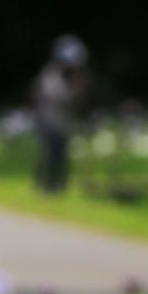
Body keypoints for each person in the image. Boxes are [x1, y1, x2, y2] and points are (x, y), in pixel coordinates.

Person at [30, 35, 89, 194]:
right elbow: (56, 98)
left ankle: (59, 189)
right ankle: (43, 188)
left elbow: (78, 103)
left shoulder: (75, 79)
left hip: (64, 124)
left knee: (62, 158)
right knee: (48, 156)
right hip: (48, 122)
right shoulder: (50, 76)